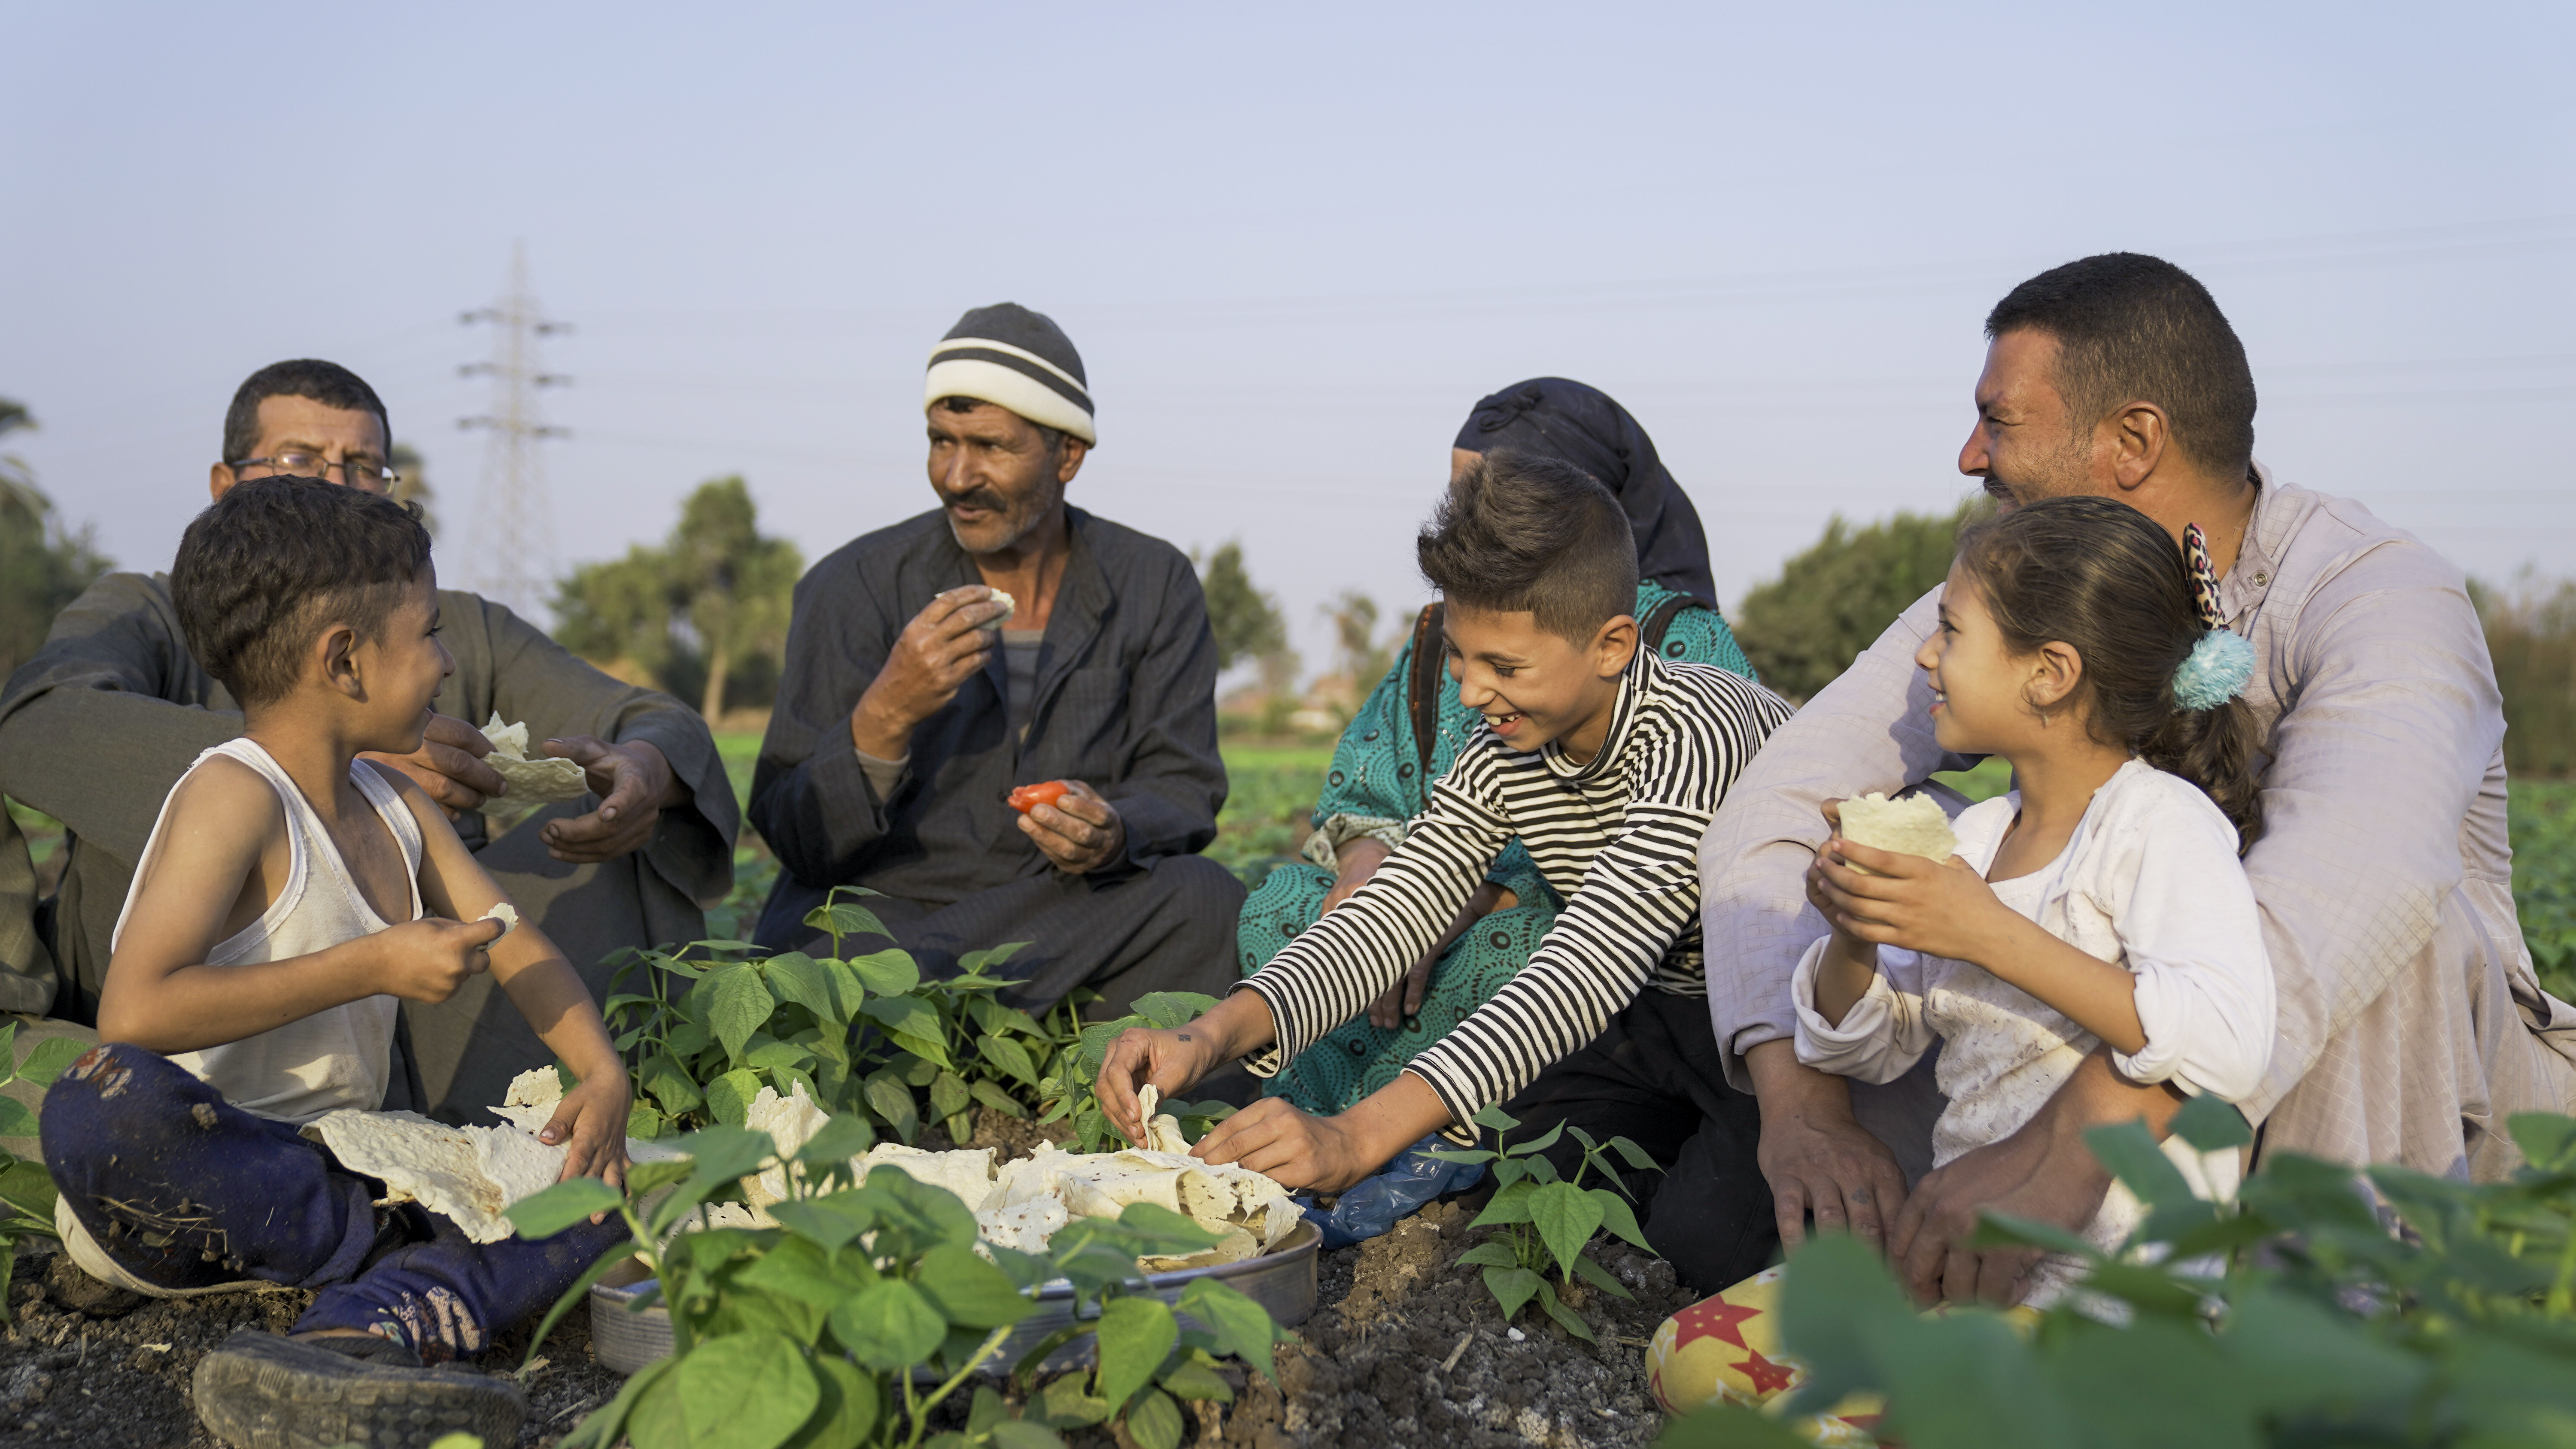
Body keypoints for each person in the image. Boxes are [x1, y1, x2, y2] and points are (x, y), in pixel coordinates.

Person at [1700, 252, 2576, 1308]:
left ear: (2134, 440)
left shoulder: (2376, 592)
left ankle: (2328, 1351)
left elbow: (2350, 896)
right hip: (2122, 1096)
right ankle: (1948, 1281)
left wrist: (2067, 1152)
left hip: (2400, 1103)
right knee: (1901, 845)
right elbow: (1780, 801)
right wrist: (1803, 1111)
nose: (1971, 453)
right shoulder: (2006, 594)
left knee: (2406, 937)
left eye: (2001, 420)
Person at [1099, 450, 1797, 1292]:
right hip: (1654, 1015)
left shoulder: (1699, 729)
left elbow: (1589, 963)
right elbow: (1401, 903)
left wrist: (1355, 1136)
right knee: (1509, 1179)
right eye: (1463, 658)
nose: (1471, 693)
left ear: (1612, 644)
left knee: (1699, 1253)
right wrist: (1205, 1035)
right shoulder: (1507, 743)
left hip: (1784, 1029)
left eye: (1505, 666)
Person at [44, 477, 629, 1446]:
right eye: (431, 633)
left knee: (606, 1196)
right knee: (100, 1097)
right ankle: (401, 1272)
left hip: (345, 1175)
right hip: (200, 1184)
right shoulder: (236, 794)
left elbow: (515, 937)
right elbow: (136, 1014)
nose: (447, 662)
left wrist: (599, 1068)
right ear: (346, 660)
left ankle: (357, 1327)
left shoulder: (400, 808)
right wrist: (370, 963)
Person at [0, 360, 737, 1121]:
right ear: (226, 484)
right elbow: (41, 719)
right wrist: (305, 760)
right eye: (299, 461)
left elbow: (642, 719)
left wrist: (643, 766)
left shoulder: (436, 620)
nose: (332, 483)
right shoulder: (151, 614)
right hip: (206, 1070)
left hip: (411, 1015)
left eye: (362, 466)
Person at [1796, 496, 2272, 1312]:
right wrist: (1855, 936)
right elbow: (1867, 1047)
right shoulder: (1977, 838)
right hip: (1974, 1275)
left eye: (1951, 630)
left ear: (2049, 674)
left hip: (2117, 1300)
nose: (1925, 657)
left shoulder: (2159, 823)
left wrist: (1987, 933)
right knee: (1691, 1356)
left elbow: (2229, 1044)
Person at [1238, 379, 1761, 1121]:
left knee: (1515, 959)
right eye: (1458, 498)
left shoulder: (1688, 673)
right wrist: (1370, 872)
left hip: (1615, 951)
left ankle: (1397, 1139)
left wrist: (1480, 896)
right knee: (1299, 912)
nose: (1475, 691)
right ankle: (1325, 1126)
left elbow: (1613, 931)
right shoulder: (1451, 643)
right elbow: (1403, 831)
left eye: (1489, 496)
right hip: (1431, 895)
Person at [750, 303, 1241, 1023]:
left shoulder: (1152, 582)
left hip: (1059, 914)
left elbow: (1183, 784)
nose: (956, 476)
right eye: (940, 442)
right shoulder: (852, 585)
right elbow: (794, 836)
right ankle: (992, 1054)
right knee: (815, 962)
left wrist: (1114, 831)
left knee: (1208, 901)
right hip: (894, 926)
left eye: (990, 446)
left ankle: (1052, 1076)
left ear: (1067, 455)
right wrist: (887, 710)